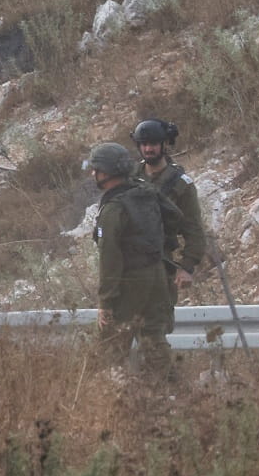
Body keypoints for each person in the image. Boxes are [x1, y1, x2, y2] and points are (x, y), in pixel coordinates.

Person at [85, 142, 184, 383]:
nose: (92, 173)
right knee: (153, 340)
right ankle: (171, 395)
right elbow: (176, 219)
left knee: (111, 345)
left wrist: (106, 302)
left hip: (130, 282)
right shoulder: (145, 192)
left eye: (95, 169)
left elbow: (110, 259)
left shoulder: (113, 209)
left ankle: (107, 400)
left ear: (106, 172)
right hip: (157, 275)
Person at [130, 119, 209, 339]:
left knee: (155, 331)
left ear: (164, 144)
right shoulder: (130, 178)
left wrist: (187, 266)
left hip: (160, 266)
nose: (148, 148)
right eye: (143, 143)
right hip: (130, 266)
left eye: (153, 143)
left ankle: (160, 373)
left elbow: (193, 230)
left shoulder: (181, 184)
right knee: (122, 331)